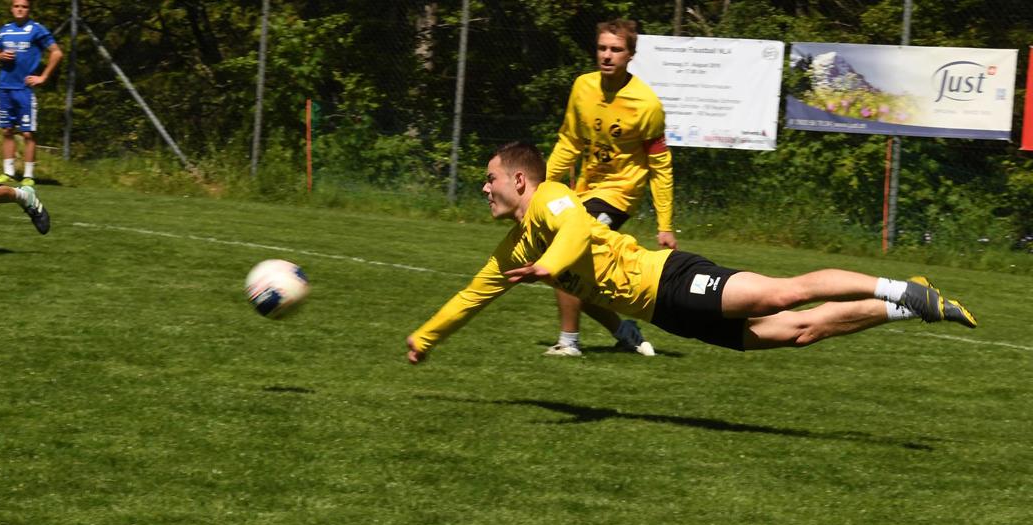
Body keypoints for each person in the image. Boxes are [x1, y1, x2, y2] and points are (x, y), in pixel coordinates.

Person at [405, 142, 976, 364]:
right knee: (799, 331)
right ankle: (910, 306)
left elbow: (576, 228)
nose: (484, 188)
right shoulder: (514, 247)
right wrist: (424, 338)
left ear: (521, 181)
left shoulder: (552, 198)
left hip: (672, 278)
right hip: (668, 314)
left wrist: (552, 267)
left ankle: (898, 287)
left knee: (784, 293)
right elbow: (473, 296)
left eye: (490, 179)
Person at [544, 18, 676, 358]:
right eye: (602, 48)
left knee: (565, 259)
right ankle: (623, 330)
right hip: (586, 190)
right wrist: (543, 185)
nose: (607, 55)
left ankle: (569, 343)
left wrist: (665, 224)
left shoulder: (647, 105)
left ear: (630, 55)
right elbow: (570, 142)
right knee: (577, 275)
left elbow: (660, 167)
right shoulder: (582, 87)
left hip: (619, 195)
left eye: (616, 49)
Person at [0, 0, 62, 187]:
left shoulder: (36, 29)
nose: (20, 9)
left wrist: (43, 77)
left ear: (29, 9)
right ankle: (8, 173)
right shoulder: (5, 30)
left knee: (28, 133)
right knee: (7, 130)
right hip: (5, 87)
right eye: (17, 6)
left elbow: (56, 53)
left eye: (24, 6)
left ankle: (28, 175)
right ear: (12, 8)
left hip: (24, 89)